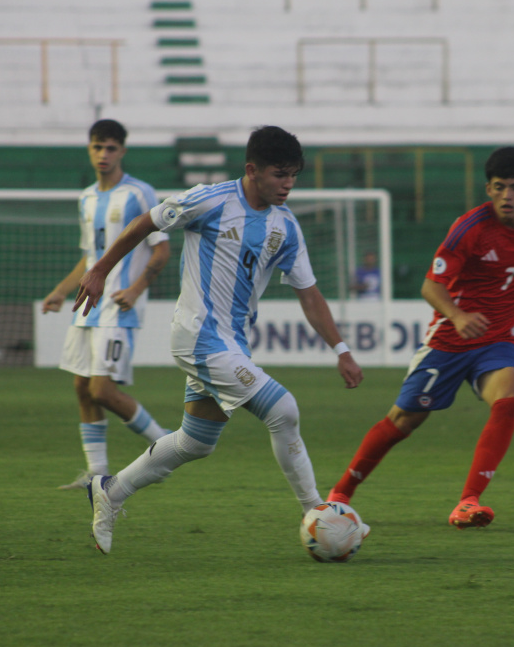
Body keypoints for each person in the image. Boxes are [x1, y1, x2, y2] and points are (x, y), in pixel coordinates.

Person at [73, 125, 364, 554]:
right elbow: (145, 223)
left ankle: (109, 492)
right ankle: (318, 513)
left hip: (231, 343)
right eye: (279, 174)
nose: (288, 184)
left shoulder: (285, 227)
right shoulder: (209, 200)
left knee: (196, 442)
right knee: (283, 410)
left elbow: (310, 293)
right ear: (252, 170)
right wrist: (99, 270)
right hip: (198, 336)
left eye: (293, 176)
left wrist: (341, 349)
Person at [326, 146, 514, 528]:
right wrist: (458, 316)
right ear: (487, 189)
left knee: (510, 393)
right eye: (498, 187)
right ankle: (340, 494)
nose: (506, 196)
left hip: (498, 340)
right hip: (449, 341)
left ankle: (468, 501)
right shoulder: (470, 228)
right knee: (404, 421)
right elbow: (431, 286)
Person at [43, 119, 172, 489]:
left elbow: (161, 250)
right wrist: (61, 290)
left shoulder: (140, 193)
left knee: (103, 391)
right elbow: (90, 258)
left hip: (119, 306)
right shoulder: (86, 198)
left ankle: (164, 444)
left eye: (111, 147)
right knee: (82, 389)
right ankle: (96, 473)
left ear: (123, 151)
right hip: (88, 305)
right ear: (89, 149)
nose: (104, 154)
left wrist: (134, 290)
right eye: (98, 147)